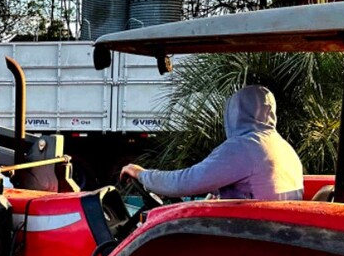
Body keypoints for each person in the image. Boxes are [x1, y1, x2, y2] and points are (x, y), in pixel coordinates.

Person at [120, 85, 304, 201]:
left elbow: (185, 182)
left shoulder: (244, 148)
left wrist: (141, 174)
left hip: (252, 235)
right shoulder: (281, 146)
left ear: (234, 112)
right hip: (270, 229)